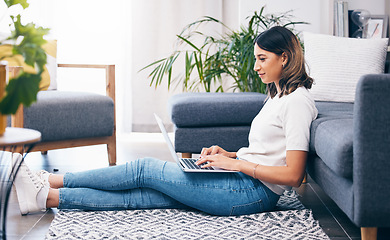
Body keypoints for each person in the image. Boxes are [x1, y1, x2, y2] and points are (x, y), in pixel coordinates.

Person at [13, 26, 318, 216]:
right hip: (240, 182)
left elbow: (293, 174)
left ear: (285, 58)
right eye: (256, 58)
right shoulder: (278, 96)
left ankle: (52, 180)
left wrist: (238, 165)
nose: (256, 67)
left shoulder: (298, 102)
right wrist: (229, 155)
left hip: (250, 194)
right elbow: (269, 152)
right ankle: (47, 197)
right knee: (145, 196)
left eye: (262, 59)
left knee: (145, 169)